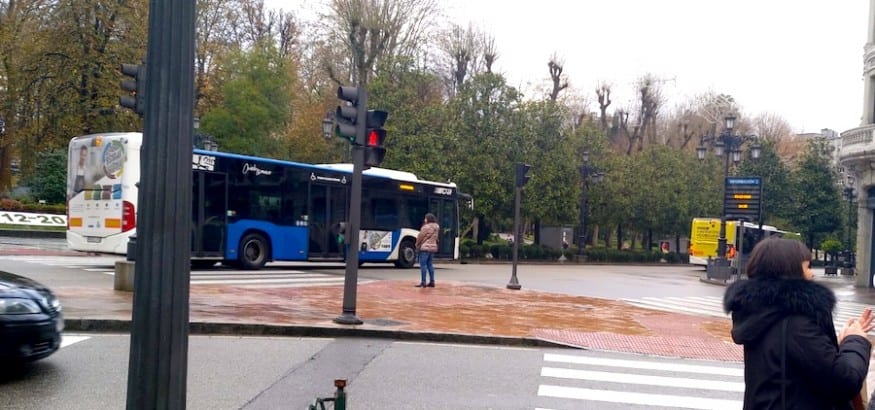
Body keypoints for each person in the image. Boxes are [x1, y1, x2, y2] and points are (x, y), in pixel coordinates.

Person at [724, 237, 873, 409]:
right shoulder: (796, 325)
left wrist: (840, 344)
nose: (812, 274)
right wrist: (856, 340)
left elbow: (791, 366)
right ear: (791, 271)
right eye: (807, 267)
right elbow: (844, 381)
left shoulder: (761, 315)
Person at [414, 213, 439, 288]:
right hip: (432, 248)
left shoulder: (425, 227)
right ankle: (432, 281)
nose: (424, 219)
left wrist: (417, 244)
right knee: (430, 265)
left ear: (428, 219)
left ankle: (423, 282)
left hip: (425, 248)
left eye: (425, 218)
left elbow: (420, 236)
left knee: (423, 265)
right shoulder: (437, 227)